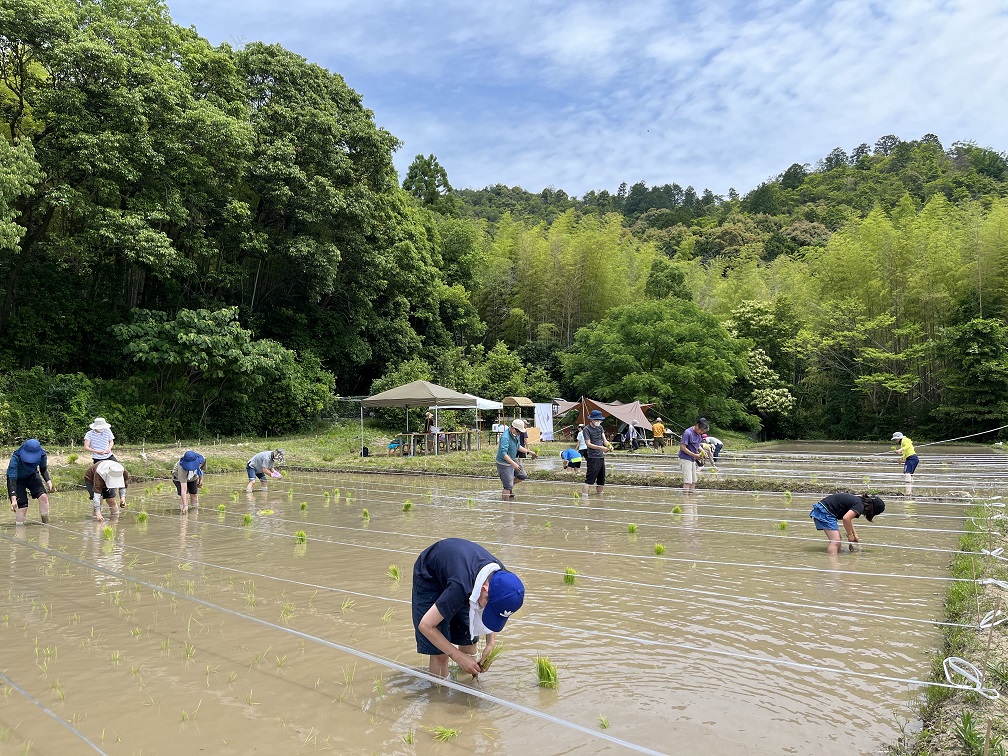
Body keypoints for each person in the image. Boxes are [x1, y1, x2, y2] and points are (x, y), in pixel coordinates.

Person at [412, 537, 525, 678]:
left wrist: (490, 644)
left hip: (460, 573)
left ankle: (466, 684)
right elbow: (426, 626)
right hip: (430, 576)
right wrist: (458, 657)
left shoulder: (503, 579)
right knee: (440, 654)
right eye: (489, 609)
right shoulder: (460, 587)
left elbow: (494, 604)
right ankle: (438, 690)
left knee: (468, 641)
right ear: (484, 590)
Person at [809, 492, 885, 554]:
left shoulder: (858, 501)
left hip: (825, 509)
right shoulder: (860, 506)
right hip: (825, 511)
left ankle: (836, 556)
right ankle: (834, 563)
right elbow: (846, 519)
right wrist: (850, 535)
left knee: (838, 539)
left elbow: (849, 520)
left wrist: (855, 535)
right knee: (835, 540)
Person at [7, 439, 54, 525]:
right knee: (23, 507)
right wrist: (13, 499)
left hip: (32, 475)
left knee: (44, 497)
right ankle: (19, 529)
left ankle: (46, 524)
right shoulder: (16, 458)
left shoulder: (42, 455)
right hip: (17, 480)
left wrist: (48, 481)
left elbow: (43, 469)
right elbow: (12, 480)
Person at [495, 419, 536, 500]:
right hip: (504, 463)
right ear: (513, 428)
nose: (519, 433)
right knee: (507, 487)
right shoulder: (505, 437)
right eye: (519, 431)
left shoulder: (516, 434)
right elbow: (504, 454)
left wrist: (528, 452)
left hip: (512, 459)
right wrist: (513, 464)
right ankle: (505, 504)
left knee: (522, 475)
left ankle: (508, 484)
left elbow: (518, 446)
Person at [582, 409, 612, 496]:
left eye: (600, 420)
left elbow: (604, 440)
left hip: (601, 457)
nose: (599, 421)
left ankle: (600, 496)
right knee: (589, 480)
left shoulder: (600, 428)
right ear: (592, 420)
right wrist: (600, 448)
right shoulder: (586, 429)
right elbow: (588, 443)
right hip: (593, 457)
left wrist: (609, 446)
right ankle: (584, 498)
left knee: (601, 480)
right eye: (597, 420)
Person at [679, 418, 709, 491]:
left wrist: (703, 452)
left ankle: (692, 496)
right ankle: (685, 497)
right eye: (701, 430)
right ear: (697, 426)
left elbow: (697, 445)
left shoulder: (698, 434)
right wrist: (695, 455)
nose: (701, 432)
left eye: (703, 431)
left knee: (693, 481)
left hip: (692, 459)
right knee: (688, 481)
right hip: (685, 458)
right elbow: (682, 447)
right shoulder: (688, 433)